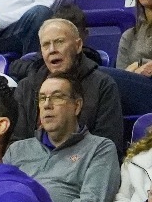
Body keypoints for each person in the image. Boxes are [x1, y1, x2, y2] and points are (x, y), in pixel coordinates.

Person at [10, 74, 123, 202]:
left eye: (57, 97)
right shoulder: (17, 149)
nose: (47, 105)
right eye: (42, 98)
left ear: (77, 106)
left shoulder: (99, 147)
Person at [13, 17, 127, 155]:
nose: (52, 50)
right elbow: (15, 143)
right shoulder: (26, 87)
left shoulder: (102, 85)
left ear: (78, 45)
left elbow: (109, 147)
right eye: (46, 45)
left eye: (59, 42)